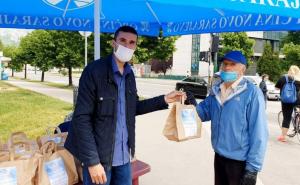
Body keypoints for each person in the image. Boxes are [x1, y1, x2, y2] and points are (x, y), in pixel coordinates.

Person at [64, 26, 185, 185]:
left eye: (131, 42)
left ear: (135, 47)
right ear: (114, 43)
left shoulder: (129, 75)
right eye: (122, 40)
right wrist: (92, 162)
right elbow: (81, 118)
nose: (127, 46)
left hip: (124, 158)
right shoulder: (93, 71)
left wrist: (164, 99)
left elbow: (134, 107)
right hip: (100, 160)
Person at [186, 51, 268, 185]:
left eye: (232, 64)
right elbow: (203, 113)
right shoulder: (217, 90)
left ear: (243, 69)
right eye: (225, 64)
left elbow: (259, 133)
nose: (227, 67)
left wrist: (252, 170)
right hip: (219, 157)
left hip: (239, 162)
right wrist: (191, 105)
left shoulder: (252, 93)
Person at [275, 65, 300, 142]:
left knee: (287, 118)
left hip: (287, 101)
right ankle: (298, 120)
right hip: (298, 100)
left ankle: (283, 136)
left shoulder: (283, 78)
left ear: (289, 70)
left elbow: (276, 87)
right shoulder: (299, 79)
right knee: (298, 111)